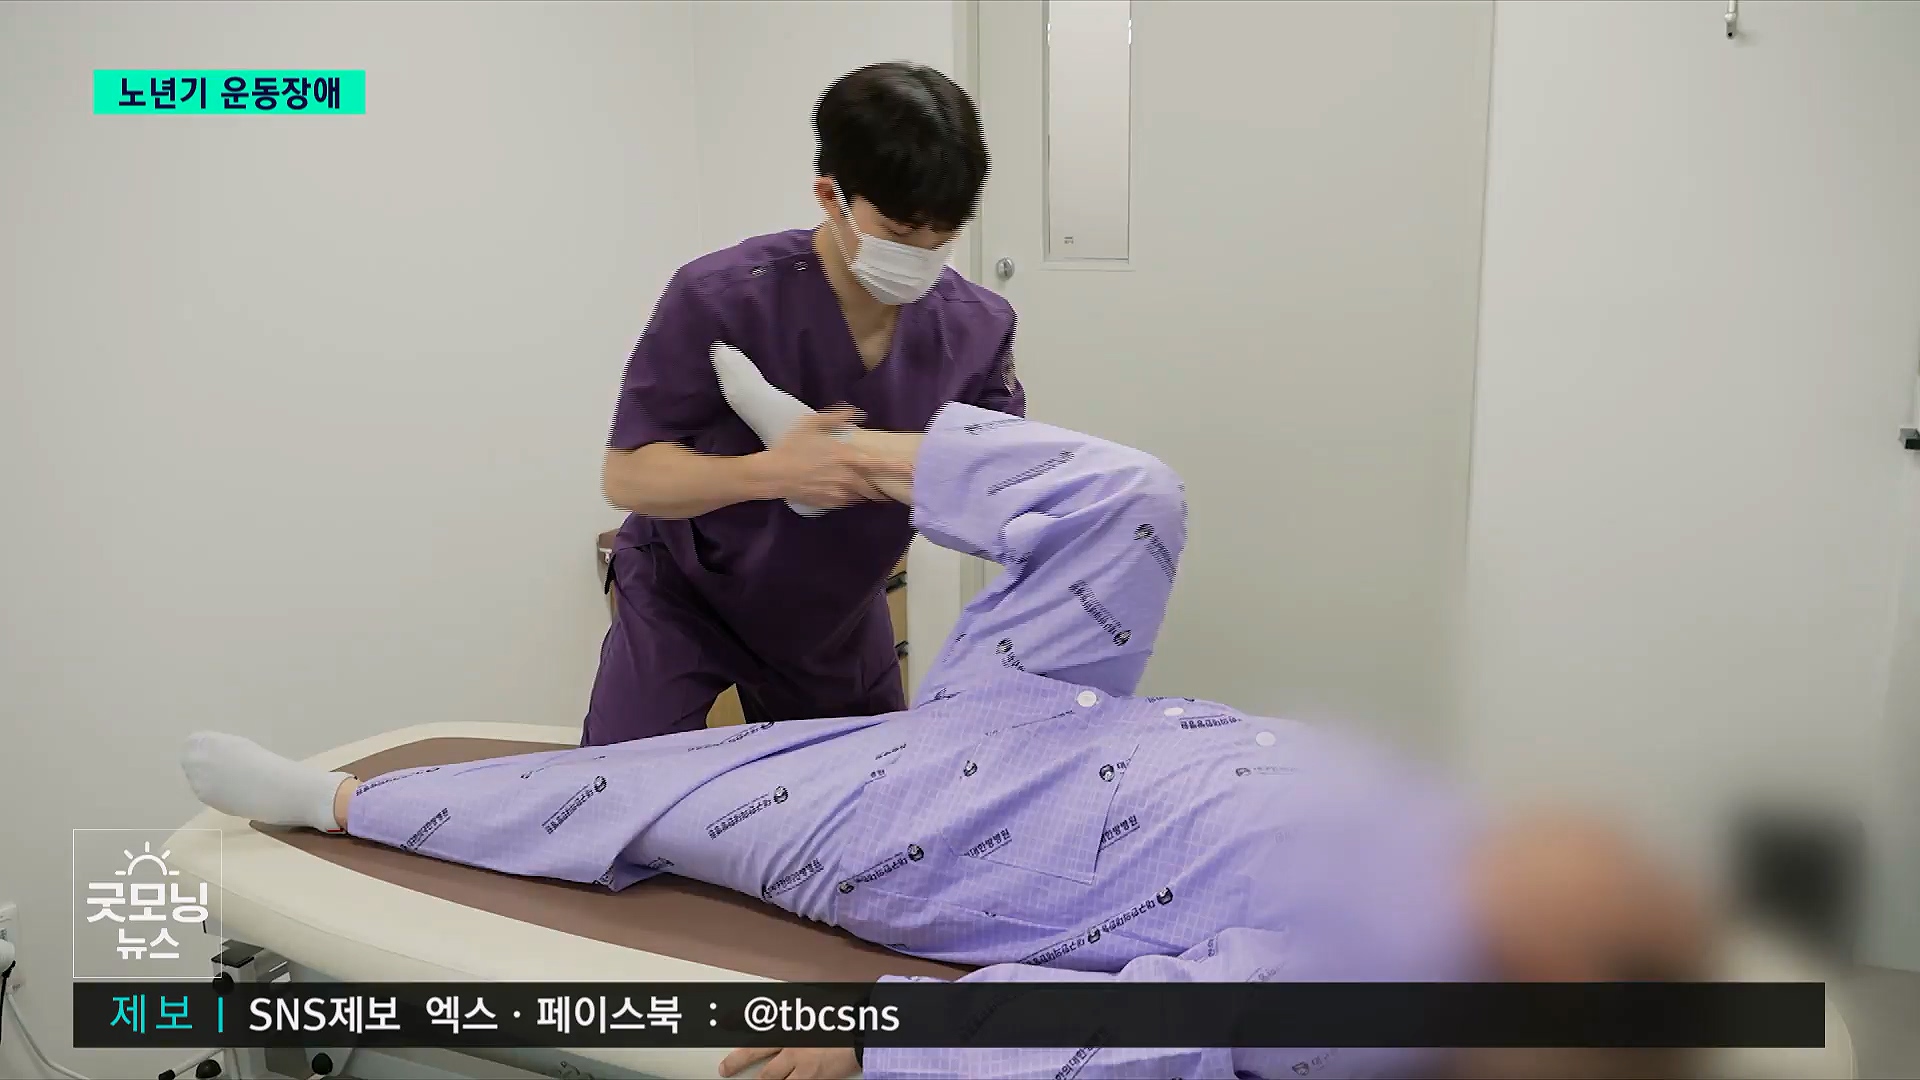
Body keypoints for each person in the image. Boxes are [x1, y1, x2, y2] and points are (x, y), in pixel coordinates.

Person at [182, 394, 1711, 1080]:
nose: (1586, 841)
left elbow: (1139, 1037)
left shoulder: (1370, 1000)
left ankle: (337, 803)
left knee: (652, 789)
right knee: (1136, 500)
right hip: (1065, 715)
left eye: (1607, 892)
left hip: (948, 819)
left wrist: (882, 1042)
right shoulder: (1458, 844)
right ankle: (846, 450)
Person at [587, 61, 1024, 745]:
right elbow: (628, 477)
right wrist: (774, 473)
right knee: (619, 784)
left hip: (835, 608)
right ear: (831, 196)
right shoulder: (721, 297)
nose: (922, 255)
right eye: (900, 233)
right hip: (686, 592)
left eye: (942, 236)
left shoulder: (977, 326)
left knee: (862, 787)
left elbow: (998, 475)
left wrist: (862, 455)